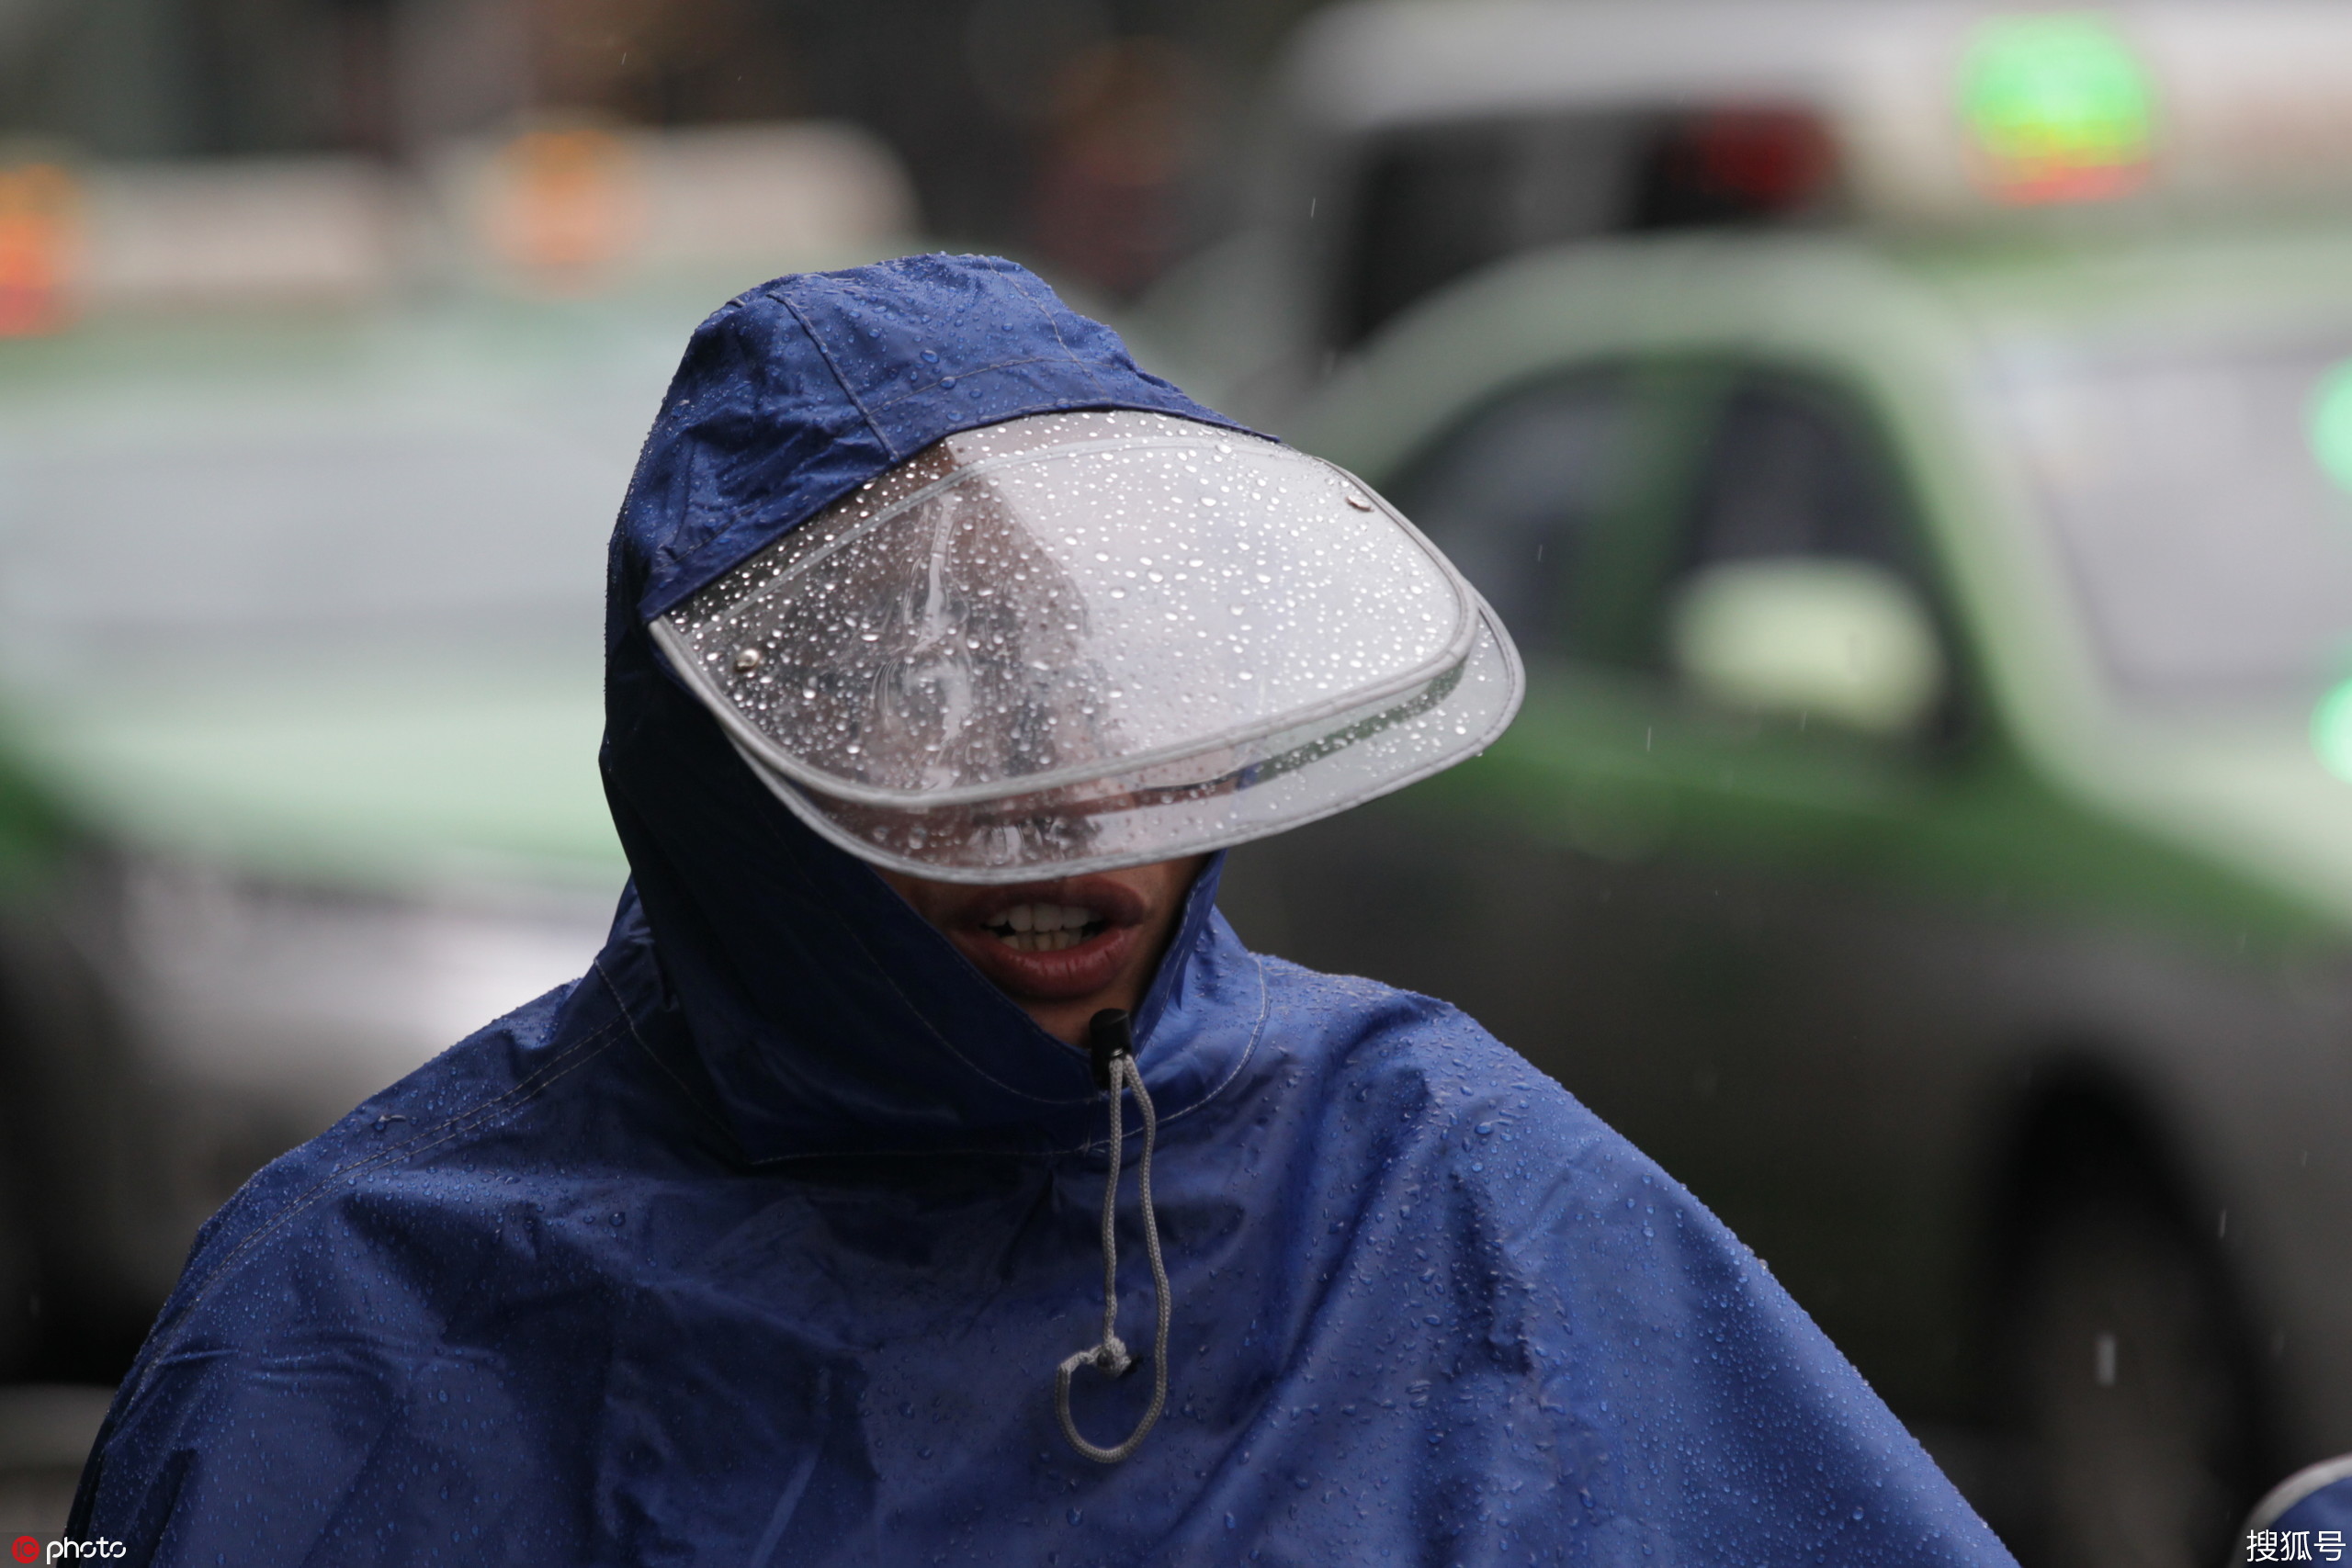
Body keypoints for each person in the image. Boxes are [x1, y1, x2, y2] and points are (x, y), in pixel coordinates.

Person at [70, 254, 2014, 1565]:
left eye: (1098, 701)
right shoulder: (351, 1304)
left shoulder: (1448, 1183)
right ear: (723, 770)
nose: (1067, 811)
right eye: (930, 713)